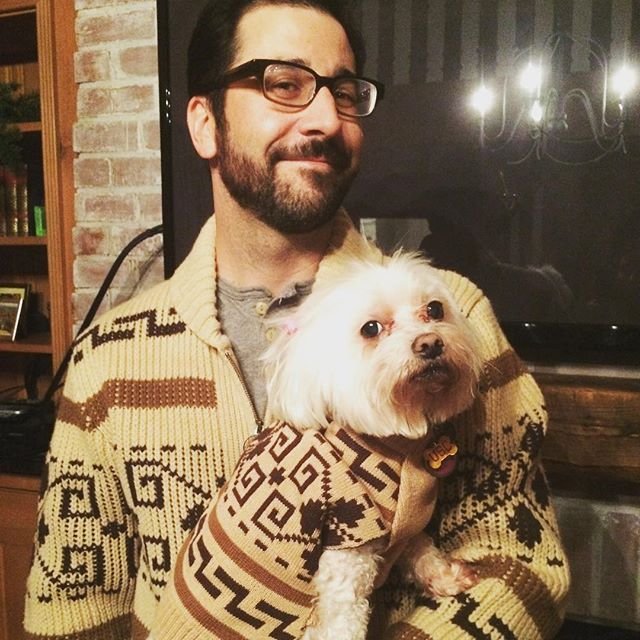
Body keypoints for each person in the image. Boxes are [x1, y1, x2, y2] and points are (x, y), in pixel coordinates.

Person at [23, 1, 570, 638]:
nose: (325, 119)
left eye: (344, 93)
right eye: (284, 84)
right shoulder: (109, 356)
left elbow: (520, 558)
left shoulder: (455, 314)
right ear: (205, 124)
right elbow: (72, 606)